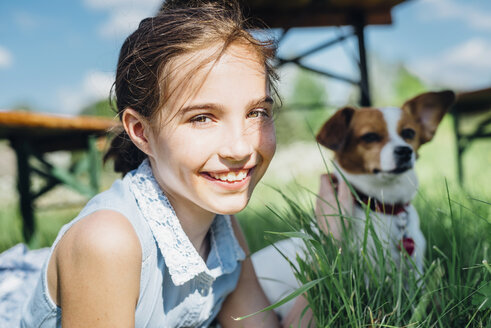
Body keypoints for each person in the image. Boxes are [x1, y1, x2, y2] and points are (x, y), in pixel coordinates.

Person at [19, 1, 310, 327]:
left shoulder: (222, 229)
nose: (241, 148)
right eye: (202, 118)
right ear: (142, 133)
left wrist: (330, 242)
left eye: (256, 113)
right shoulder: (107, 243)